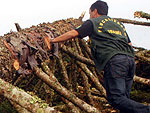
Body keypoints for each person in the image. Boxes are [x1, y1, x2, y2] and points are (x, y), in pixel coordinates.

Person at [50, 0, 150, 113]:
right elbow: (129, 44)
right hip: (130, 60)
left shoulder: (93, 22)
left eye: (90, 13)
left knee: (116, 99)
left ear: (95, 11)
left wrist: (53, 40)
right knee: (124, 101)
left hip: (115, 61)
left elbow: (74, 33)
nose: (90, 15)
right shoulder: (118, 24)